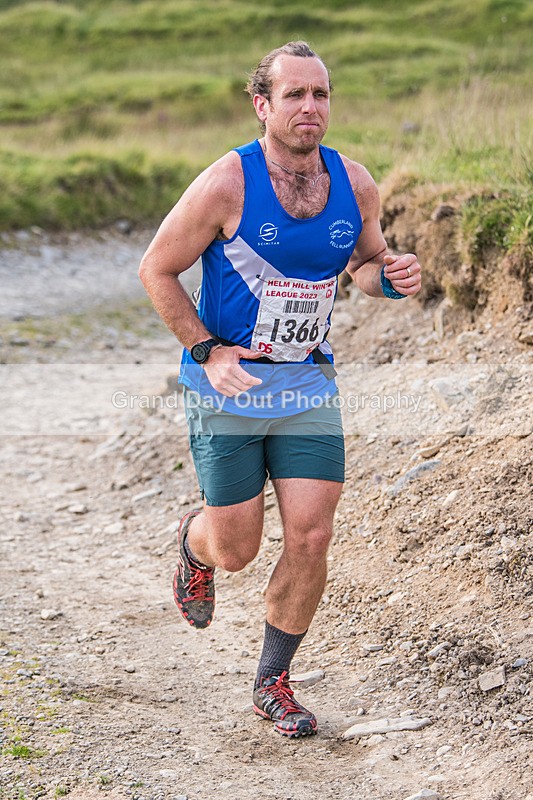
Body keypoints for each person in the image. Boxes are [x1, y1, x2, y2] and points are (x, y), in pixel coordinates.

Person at [139, 40, 422, 739]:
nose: (309, 107)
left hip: (304, 382)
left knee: (311, 534)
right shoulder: (225, 184)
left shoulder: (353, 184)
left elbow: (361, 263)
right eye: (293, 95)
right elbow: (156, 269)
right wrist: (206, 351)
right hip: (228, 385)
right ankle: (193, 544)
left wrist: (389, 276)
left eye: (320, 94)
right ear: (262, 104)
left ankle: (273, 683)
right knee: (235, 548)